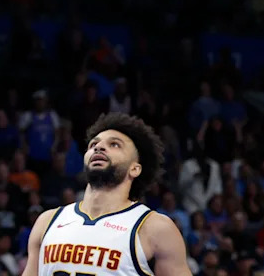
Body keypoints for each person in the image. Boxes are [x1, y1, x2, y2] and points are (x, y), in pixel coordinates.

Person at [22, 113, 191, 276]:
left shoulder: (155, 228)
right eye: (93, 144)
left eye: (115, 144)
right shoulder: (47, 221)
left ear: (135, 168)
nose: (99, 147)